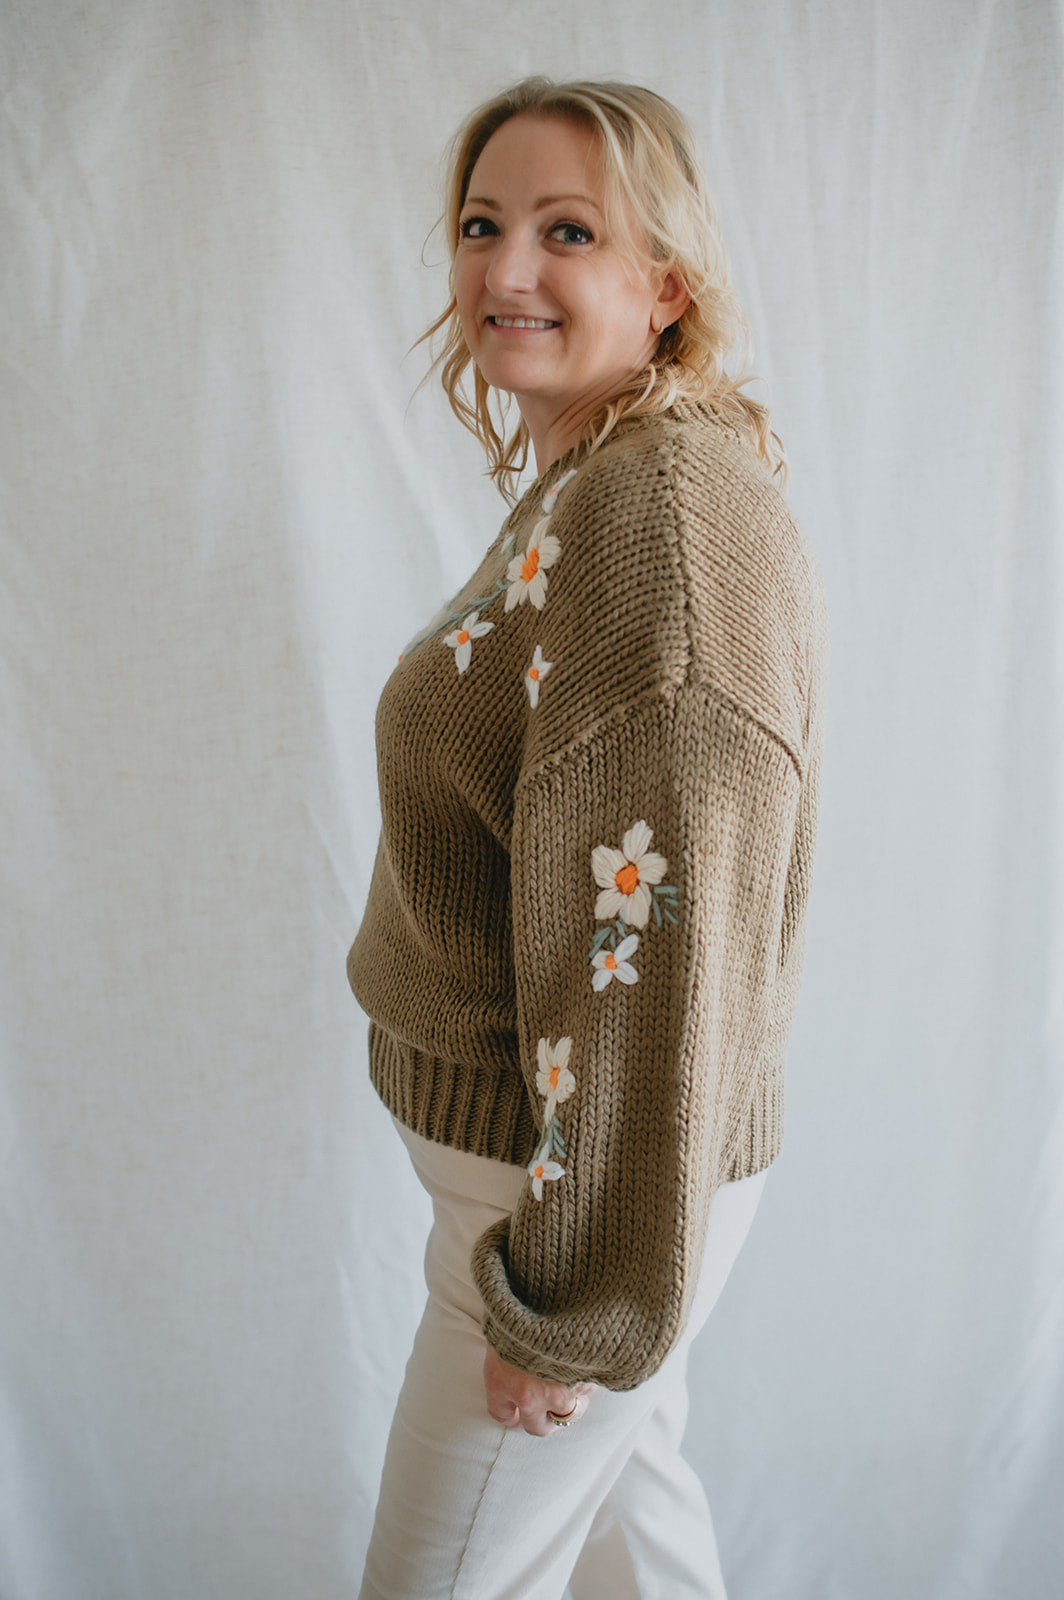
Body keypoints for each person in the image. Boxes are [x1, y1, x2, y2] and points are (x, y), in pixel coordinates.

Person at [347, 76, 828, 1600]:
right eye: (482, 224)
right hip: (576, 1180)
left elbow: (659, 932)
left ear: (665, 283)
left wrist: (576, 1304)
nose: (505, 269)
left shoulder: (657, 522)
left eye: (568, 231)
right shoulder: (607, 474)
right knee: (644, 1564)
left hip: (568, 1204)